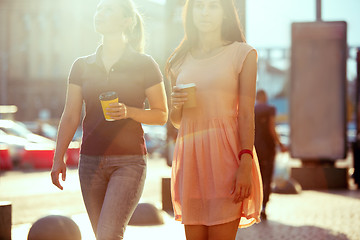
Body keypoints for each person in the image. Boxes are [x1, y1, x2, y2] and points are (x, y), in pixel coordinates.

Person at [50, 0, 168, 239]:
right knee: (103, 235)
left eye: (108, 9)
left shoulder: (145, 65)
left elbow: (162, 114)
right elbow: (71, 115)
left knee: (108, 235)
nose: (100, 13)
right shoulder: (81, 66)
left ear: (127, 21)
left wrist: (129, 112)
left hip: (129, 162)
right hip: (89, 162)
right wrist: (57, 157)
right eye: (98, 9)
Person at [165, 0, 263, 239]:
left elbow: (247, 114)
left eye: (213, 6)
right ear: (190, 13)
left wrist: (245, 163)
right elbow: (177, 121)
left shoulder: (243, 53)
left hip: (227, 157)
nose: (205, 12)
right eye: (199, 6)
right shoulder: (177, 60)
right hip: (191, 160)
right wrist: (176, 105)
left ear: (225, 13)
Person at [254, 89, 287, 220]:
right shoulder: (270, 109)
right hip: (268, 148)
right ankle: (263, 206)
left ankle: (255, 206)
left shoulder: (253, 109)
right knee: (267, 178)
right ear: (265, 96)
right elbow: (271, 127)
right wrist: (280, 144)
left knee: (257, 177)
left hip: (255, 147)